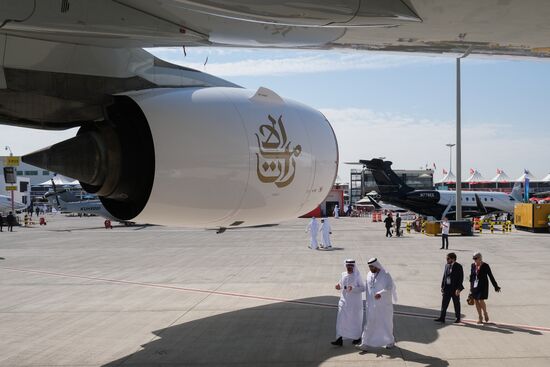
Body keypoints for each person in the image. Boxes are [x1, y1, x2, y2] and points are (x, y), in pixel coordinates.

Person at [357, 258, 397, 351]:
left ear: (376, 265)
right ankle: (364, 343)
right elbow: (368, 290)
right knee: (369, 323)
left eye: (372, 266)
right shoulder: (369, 275)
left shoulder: (385, 274)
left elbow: (390, 287)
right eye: (369, 267)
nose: (370, 268)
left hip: (384, 306)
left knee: (386, 324)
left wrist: (381, 293)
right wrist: (367, 303)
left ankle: (390, 341)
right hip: (371, 306)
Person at [331, 259, 365, 346]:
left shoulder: (357, 276)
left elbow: (362, 288)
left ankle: (357, 337)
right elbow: (341, 284)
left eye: (351, 266)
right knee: (341, 320)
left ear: (354, 266)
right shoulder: (343, 274)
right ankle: (339, 338)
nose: (349, 267)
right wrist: (338, 286)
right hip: (343, 302)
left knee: (354, 321)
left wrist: (353, 289)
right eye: (348, 266)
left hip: (354, 304)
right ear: (345, 266)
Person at [470, 252, 501, 324]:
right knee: (476, 301)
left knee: (481, 300)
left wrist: (496, 286)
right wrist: (471, 288)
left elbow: (491, 276)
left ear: (480, 258)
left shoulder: (485, 266)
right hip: (475, 286)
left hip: (483, 286)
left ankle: (485, 313)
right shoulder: (472, 265)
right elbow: (472, 277)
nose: (474, 260)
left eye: (475, 258)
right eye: (473, 258)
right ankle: (480, 317)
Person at [434, 252, 464, 323]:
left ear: (453, 259)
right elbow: (444, 276)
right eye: (446, 258)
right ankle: (442, 317)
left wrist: (459, 289)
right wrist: (442, 286)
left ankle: (458, 318)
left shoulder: (458, 266)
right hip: (447, 288)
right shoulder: (446, 265)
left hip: (455, 289)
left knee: (456, 304)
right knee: (444, 304)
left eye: (448, 258)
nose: (446, 260)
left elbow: (461, 278)